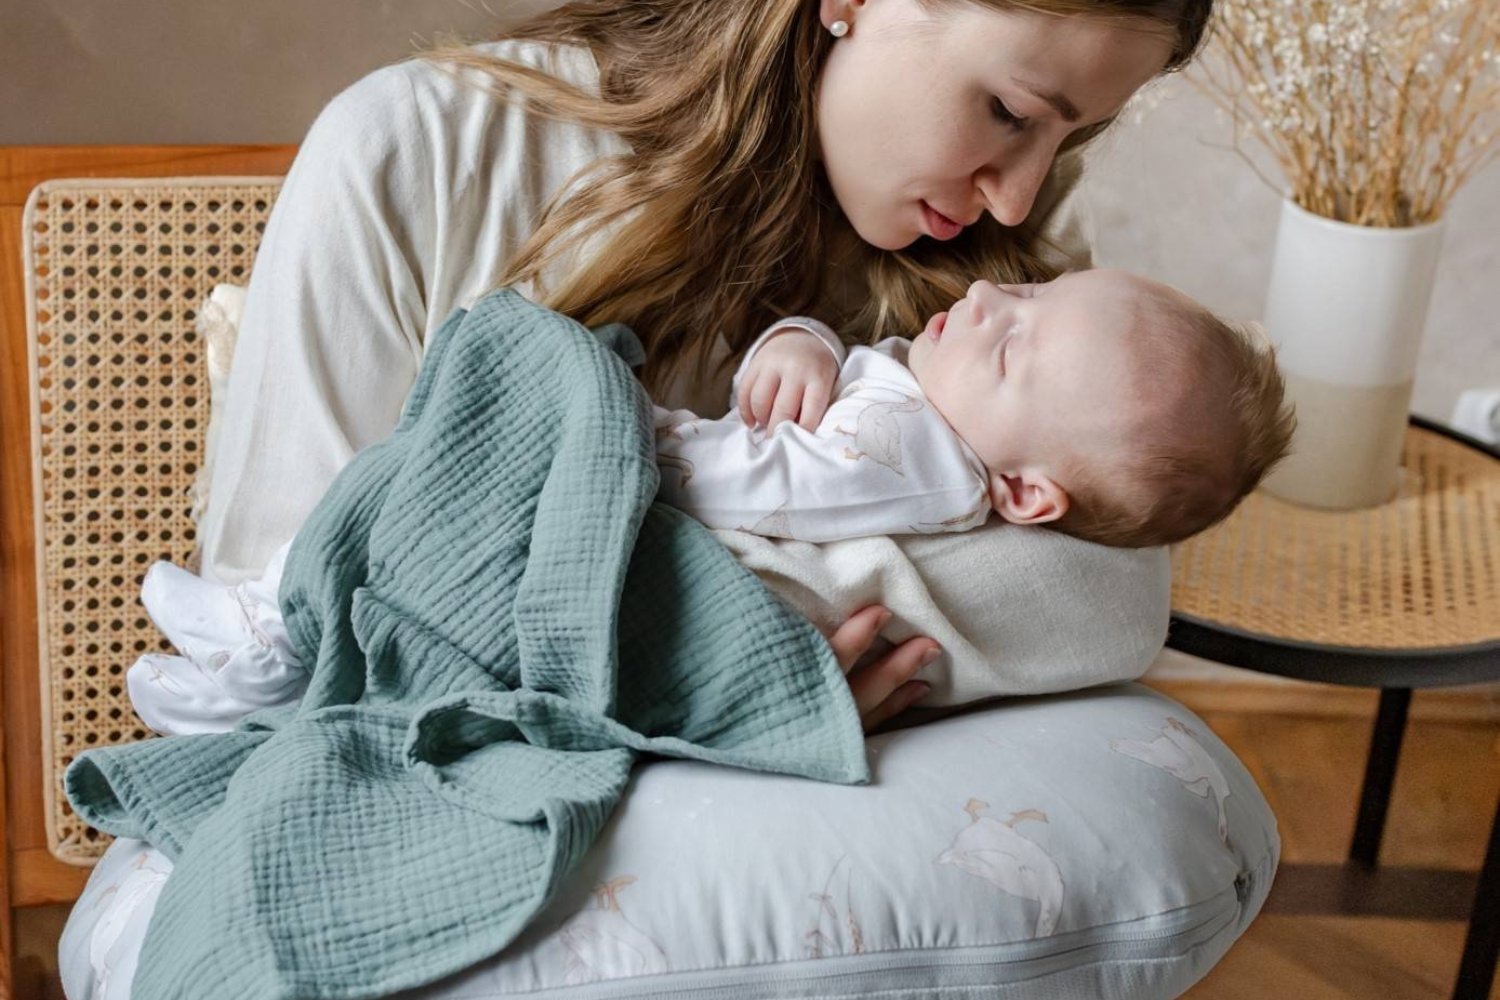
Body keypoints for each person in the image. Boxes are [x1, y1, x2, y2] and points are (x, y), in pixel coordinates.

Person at [195, 0, 1214, 732]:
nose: (1019, 202)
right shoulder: (418, 151)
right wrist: (703, 684)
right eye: (1008, 112)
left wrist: (793, 649)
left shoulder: (984, 276)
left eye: (1071, 133)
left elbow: (1109, 572)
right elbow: (286, 632)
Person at [653, 268, 1294, 547]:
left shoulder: (914, 461)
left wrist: (630, 425)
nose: (986, 294)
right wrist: (807, 343)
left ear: (1020, 489)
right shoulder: (936, 393)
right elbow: (842, 378)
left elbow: (721, 485)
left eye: (1010, 350)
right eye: (1034, 291)